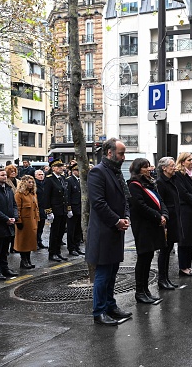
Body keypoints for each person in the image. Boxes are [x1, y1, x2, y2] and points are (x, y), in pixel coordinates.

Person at [86, 138, 133, 325]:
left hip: (115, 231)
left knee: (112, 272)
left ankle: (110, 306)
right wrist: (116, 221)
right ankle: (99, 312)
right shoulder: (98, 172)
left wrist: (126, 217)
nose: (123, 157)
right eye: (121, 153)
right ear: (109, 153)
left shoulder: (115, 172)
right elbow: (98, 203)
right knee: (103, 274)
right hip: (103, 232)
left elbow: (125, 199)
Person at [128, 158, 168, 304]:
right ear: (138, 169)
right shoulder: (134, 185)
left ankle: (146, 291)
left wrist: (164, 214)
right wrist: (158, 217)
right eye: (145, 167)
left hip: (153, 224)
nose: (149, 169)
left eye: (149, 166)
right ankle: (140, 291)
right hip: (143, 226)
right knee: (143, 258)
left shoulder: (150, 183)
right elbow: (140, 206)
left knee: (149, 257)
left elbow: (160, 201)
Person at [174, 152, 192, 277]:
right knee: (185, 240)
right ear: (182, 162)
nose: (191, 162)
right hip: (185, 211)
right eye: (188, 160)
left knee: (191, 240)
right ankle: (183, 267)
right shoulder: (179, 175)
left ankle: (188, 266)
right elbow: (183, 193)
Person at [156, 157, 182, 290]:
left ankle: (166, 278)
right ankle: (162, 279)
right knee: (164, 251)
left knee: (168, 248)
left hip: (173, 218)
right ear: (164, 168)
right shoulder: (161, 183)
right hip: (167, 220)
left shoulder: (173, 180)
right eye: (171, 165)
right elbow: (161, 202)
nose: (174, 167)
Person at [44, 159, 71, 262]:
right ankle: (52, 253)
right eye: (58, 166)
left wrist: (68, 208)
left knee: (60, 232)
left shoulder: (62, 178)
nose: (61, 168)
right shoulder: (49, 179)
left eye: (61, 166)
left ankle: (58, 252)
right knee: (54, 232)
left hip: (62, 209)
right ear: (53, 168)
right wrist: (49, 211)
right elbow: (47, 196)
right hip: (55, 210)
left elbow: (66, 195)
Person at [14, 175, 39, 269]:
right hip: (24, 222)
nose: (31, 184)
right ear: (24, 183)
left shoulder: (33, 194)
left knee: (30, 242)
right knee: (23, 242)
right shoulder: (19, 194)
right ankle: (23, 260)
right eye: (29, 182)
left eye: (32, 182)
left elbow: (36, 208)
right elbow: (17, 209)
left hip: (32, 222)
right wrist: (18, 221)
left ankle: (28, 259)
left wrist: (38, 219)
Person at [66, 164, 84, 256]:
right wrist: (69, 209)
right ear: (73, 171)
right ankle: (71, 248)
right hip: (73, 208)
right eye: (77, 170)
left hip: (80, 208)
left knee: (78, 229)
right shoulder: (69, 180)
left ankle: (77, 246)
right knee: (71, 230)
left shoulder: (80, 181)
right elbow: (68, 196)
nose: (79, 172)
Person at [34, 170, 48, 249]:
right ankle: (34, 242)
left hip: (43, 207)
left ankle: (39, 241)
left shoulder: (45, 183)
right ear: (35, 176)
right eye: (39, 175)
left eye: (42, 174)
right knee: (36, 226)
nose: (41, 176)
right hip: (37, 207)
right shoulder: (34, 184)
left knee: (41, 226)